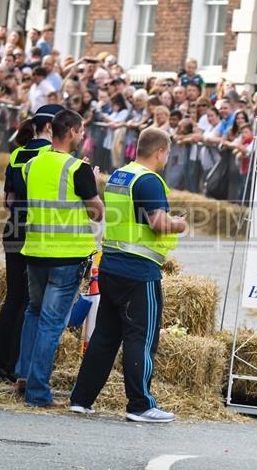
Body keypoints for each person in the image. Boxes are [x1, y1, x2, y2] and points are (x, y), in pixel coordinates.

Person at [70, 128, 188, 422]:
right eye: (167, 154)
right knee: (141, 337)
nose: (167, 159)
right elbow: (158, 223)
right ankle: (140, 404)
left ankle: (81, 399)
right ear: (160, 151)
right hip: (139, 270)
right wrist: (180, 224)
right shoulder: (149, 181)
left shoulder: (121, 175)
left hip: (110, 263)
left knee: (105, 338)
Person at [15, 109, 104, 408]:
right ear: (74, 131)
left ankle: (24, 376)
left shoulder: (32, 165)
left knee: (34, 313)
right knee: (52, 324)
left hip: (35, 251)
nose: (83, 136)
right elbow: (96, 212)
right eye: (81, 132)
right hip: (66, 256)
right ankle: (38, 393)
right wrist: (93, 181)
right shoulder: (77, 169)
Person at [0, 105, 63, 384]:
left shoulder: (17, 153)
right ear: (51, 128)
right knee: (32, 303)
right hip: (37, 232)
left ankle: (0, 367)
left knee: (13, 298)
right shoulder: (52, 156)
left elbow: (7, 200)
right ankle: (18, 365)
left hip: (13, 228)